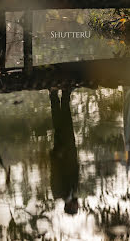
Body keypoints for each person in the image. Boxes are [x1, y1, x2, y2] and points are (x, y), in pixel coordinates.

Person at [49, 87, 79, 215]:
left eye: (76, 207)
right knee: (67, 123)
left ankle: (54, 93)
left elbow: (54, 174)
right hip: (71, 152)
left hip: (61, 153)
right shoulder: (73, 191)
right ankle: (65, 94)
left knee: (58, 123)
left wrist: (57, 155)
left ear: (70, 206)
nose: (79, 205)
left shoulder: (58, 193)